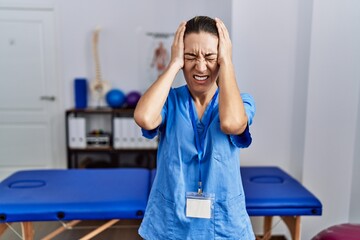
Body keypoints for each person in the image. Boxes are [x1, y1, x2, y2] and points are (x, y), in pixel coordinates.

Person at [134, 16, 256, 239]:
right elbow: (144, 118)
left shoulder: (242, 102)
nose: (200, 67)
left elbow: (231, 123)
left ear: (220, 58)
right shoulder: (169, 101)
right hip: (170, 225)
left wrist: (228, 62)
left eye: (210, 57)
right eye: (190, 56)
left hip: (224, 227)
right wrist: (173, 64)